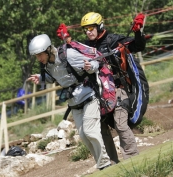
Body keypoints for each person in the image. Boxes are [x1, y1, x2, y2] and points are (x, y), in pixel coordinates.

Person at [56, 12, 146, 162]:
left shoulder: (114, 40)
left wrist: (138, 32)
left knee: (121, 124)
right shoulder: (85, 47)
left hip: (118, 90)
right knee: (101, 130)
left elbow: (138, 45)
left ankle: (133, 159)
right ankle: (112, 164)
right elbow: (69, 55)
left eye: (91, 28)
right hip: (97, 94)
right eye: (85, 29)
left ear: (100, 26)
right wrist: (67, 40)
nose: (88, 32)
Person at [27, 34, 111, 170]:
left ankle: (105, 163)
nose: (39, 59)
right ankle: (101, 165)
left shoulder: (69, 55)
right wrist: (40, 78)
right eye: (36, 56)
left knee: (90, 131)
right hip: (74, 103)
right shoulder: (47, 65)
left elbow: (96, 62)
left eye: (40, 55)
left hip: (89, 96)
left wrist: (90, 67)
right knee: (84, 136)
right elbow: (55, 77)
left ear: (48, 50)